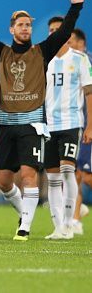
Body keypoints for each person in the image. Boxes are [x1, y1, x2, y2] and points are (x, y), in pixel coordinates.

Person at [0, 0, 87, 240]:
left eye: (28, 24)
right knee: (5, 180)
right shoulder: (1, 53)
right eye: (21, 24)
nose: (26, 28)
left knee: (29, 175)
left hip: (32, 124)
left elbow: (63, 33)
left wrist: (75, 7)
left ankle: (25, 227)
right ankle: (23, 211)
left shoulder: (42, 52)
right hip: (6, 124)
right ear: (12, 29)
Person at [44, 18, 92, 239]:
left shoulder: (80, 59)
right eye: (51, 30)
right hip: (49, 125)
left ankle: (70, 222)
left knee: (68, 170)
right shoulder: (44, 60)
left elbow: (89, 94)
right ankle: (58, 226)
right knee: (52, 178)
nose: (55, 33)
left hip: (72, 123)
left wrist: (90, 125)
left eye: (59, 29)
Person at [72, 29, 92, 234]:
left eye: (72, 42)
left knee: (84, 175)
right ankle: (76, 216)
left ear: (82, 43)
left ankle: (76, 215)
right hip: (75, 126)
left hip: (88, 127)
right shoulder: (66, 62)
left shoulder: (87, 62)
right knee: (74, 173)